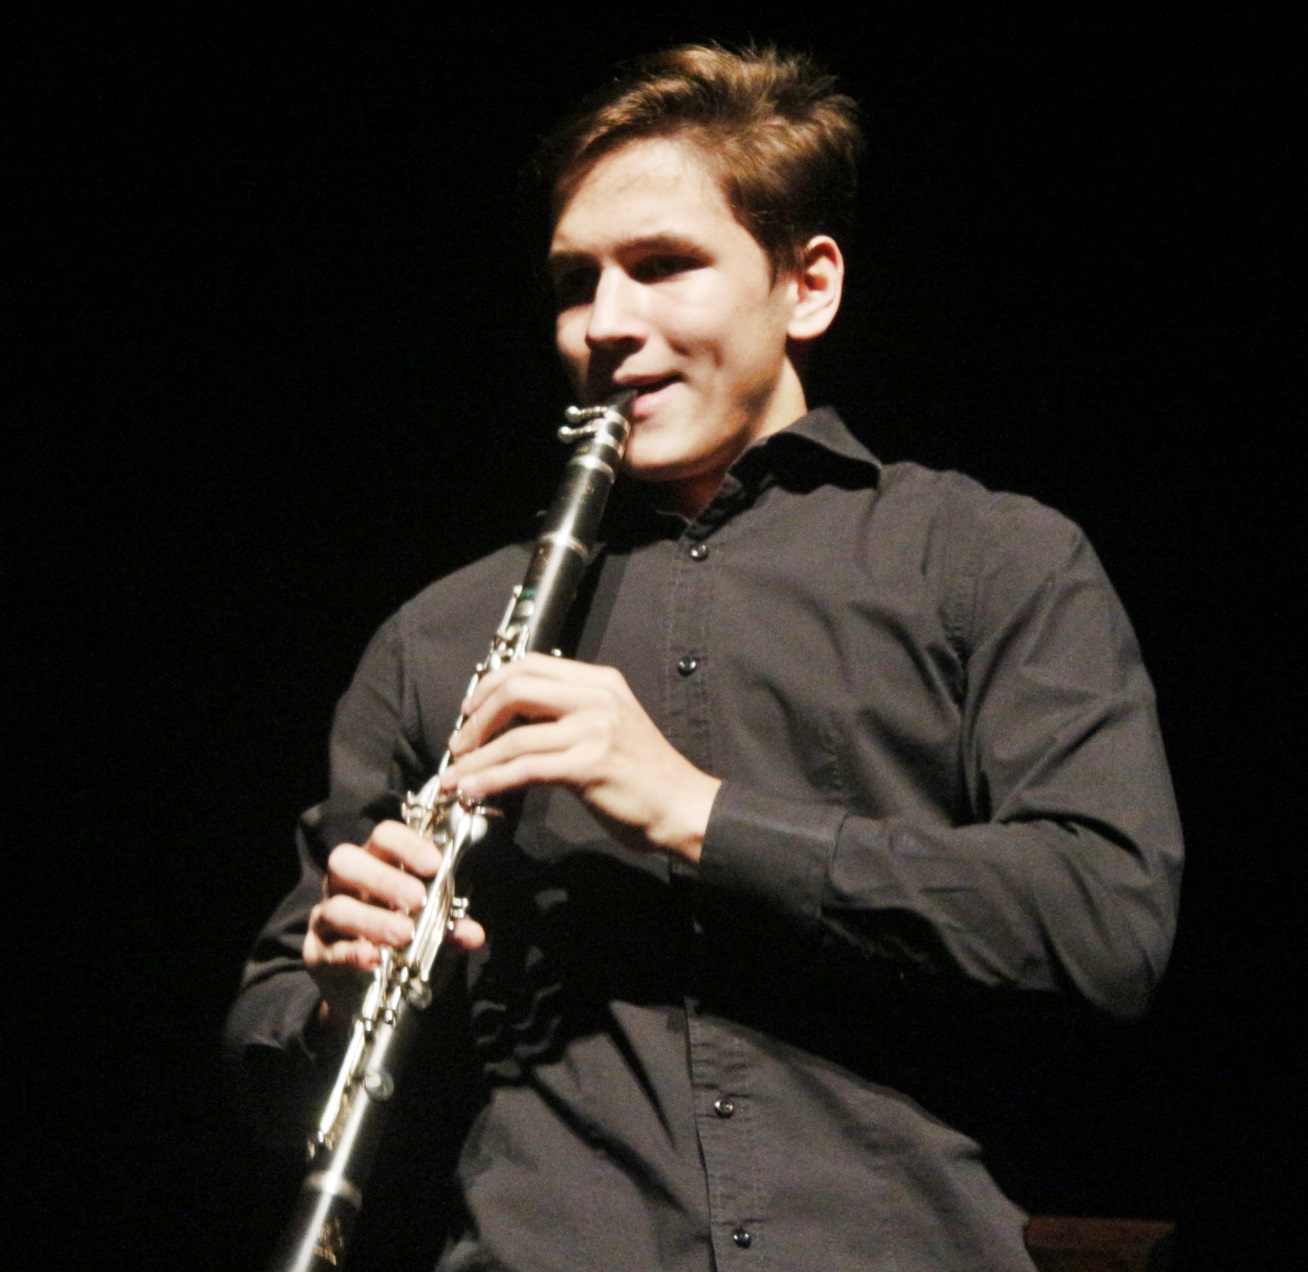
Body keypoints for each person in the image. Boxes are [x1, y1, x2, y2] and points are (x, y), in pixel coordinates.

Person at [227, 44, 1183, 1272]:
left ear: (808, 286)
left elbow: (1105, 926)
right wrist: (334, 999)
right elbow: (270, 1077)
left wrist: (700, 815)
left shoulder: (987, 559)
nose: (606, 324)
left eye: (665, 266)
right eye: (576, 283)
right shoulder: (439, 638)